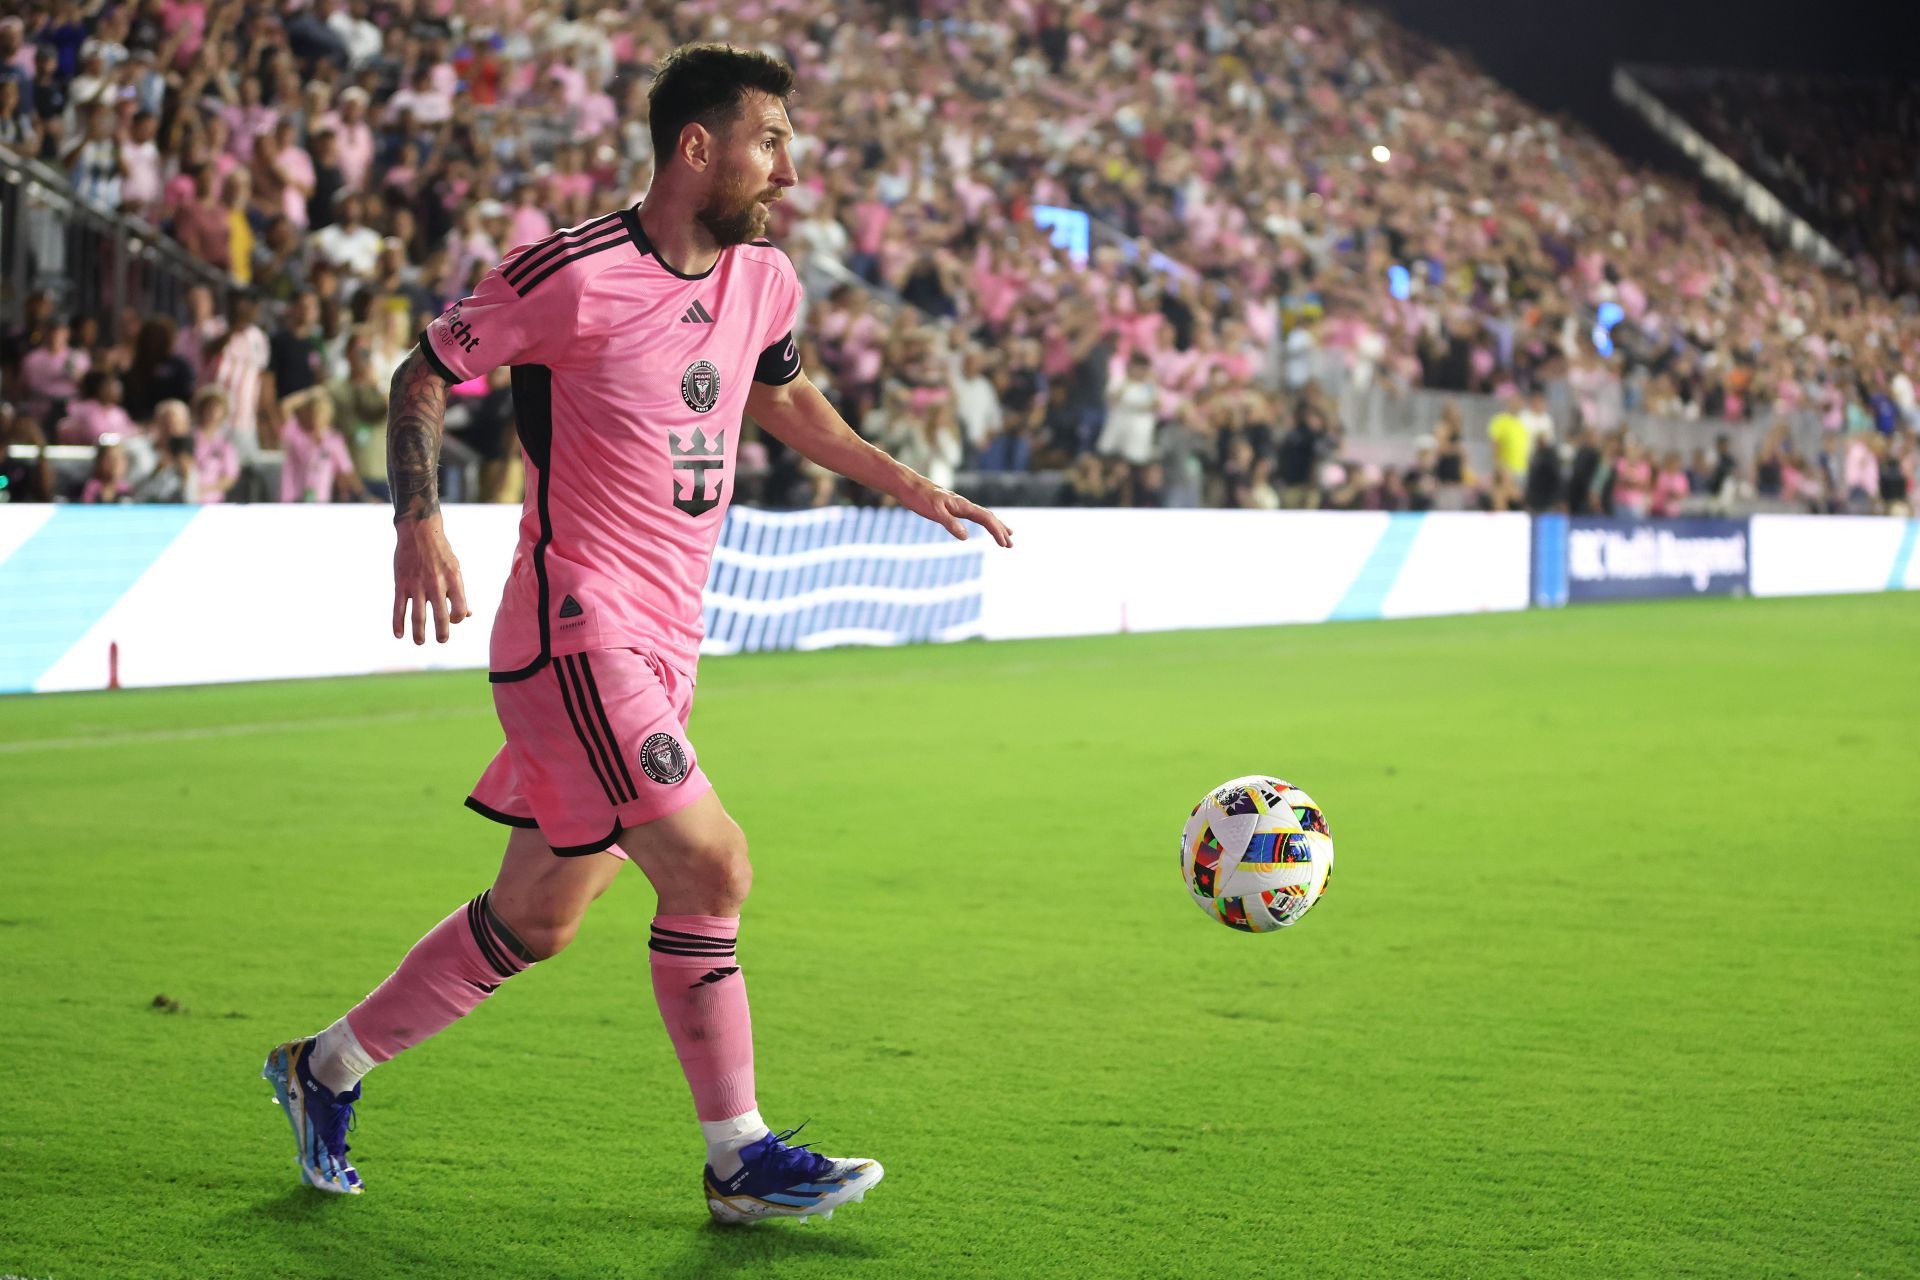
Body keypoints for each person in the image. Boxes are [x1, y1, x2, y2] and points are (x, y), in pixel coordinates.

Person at [260, 44, 1013, 1224]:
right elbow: (422, 374)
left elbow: (780, 394)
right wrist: (418, 520)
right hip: (575, 625)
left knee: (537, 919)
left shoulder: (764, 277)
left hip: (666, 641)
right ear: (697, 146)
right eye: (772, 143)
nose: (792, 172)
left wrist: (899, 477)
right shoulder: (571, 272)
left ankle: (323, 1067)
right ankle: (739, 1157)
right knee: (713, 866)